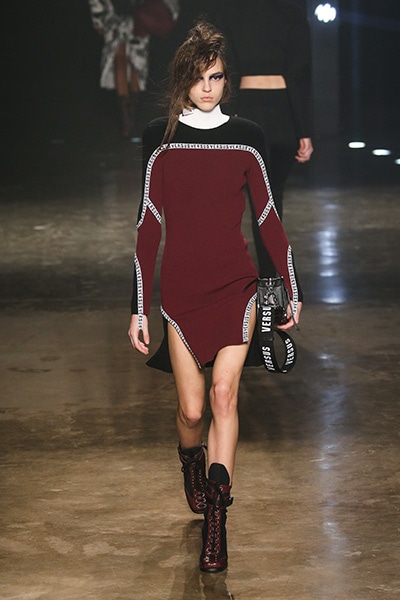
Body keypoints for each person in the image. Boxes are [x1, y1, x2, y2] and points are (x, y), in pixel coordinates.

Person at [128, 21, 303, 573]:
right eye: (200, 78)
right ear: (183, 80)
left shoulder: (247, 136)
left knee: (224, 396)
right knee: (191, 409)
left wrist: (288, 290)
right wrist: (138, 307)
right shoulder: (160, 140)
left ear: (227, 81)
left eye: (217, 77)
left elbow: (268, 218)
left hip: (237, 287)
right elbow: (148, 226)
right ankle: (190, 462)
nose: (208, 87)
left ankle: (217, 523)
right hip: (182, 295)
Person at [224, 0, 313, 276]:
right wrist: (304, 130)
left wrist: (227, 121)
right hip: (284, 114)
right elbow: (299, 74)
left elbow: (228, 69)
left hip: (249, 113)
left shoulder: (235, 11)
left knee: (260, 203)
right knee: (274, 200)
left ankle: (269, 279)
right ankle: (273, 279)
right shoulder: (293, 13)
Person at [88, 0, 179, 139]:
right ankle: (128, 119)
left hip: (133, 23)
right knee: (125, 64)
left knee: (133, 67)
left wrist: (99, 21)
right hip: (123, 22)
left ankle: (129, 118)